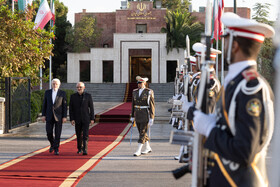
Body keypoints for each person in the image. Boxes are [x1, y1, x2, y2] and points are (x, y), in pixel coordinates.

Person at [184, 13, 275, 186]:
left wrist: (210, 128)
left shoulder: (250, 88)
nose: (222, 44)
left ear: (234, 45)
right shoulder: (236, 82)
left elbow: (244, 151)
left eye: (225, 39)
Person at [130, 76, 155, 156]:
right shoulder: (135, 92)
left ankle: (138, 150)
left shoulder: (149, 92)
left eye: (140, 83)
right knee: (141, 131)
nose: (139, 85)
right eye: (138, 83)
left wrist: (152, 117)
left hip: (145, 113)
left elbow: (152, 105)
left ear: (144, 83)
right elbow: (133, 104)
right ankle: (148, 147)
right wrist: (132, 115)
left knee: (142, 132)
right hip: (137, 113)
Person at [42, 78, 67, 155]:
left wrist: (64, 116)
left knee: (57, 133)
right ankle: (52, 144)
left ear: (59, 85)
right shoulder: (47, 92)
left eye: (56, 84)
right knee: (49, 132)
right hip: (49, 115)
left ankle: (56, 148)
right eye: (53, 83)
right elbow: (44, 104)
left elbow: (64, 106)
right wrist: (43, 115)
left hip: (58, 116)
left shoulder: (62, 93)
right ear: (51, 84)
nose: (55, 85)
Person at [69, 82, 94, 155]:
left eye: (80, 87)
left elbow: (91, 108)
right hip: (77, 119)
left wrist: (92, 118)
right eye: (78, 87)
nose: (79, 88)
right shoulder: (73, 96)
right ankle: (79, 148)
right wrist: (72, 119)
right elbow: (71, 109)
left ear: (84, 87)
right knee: (78, 134)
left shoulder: (88, 96)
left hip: (86, 118)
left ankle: (85, 149)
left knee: (85, 134)